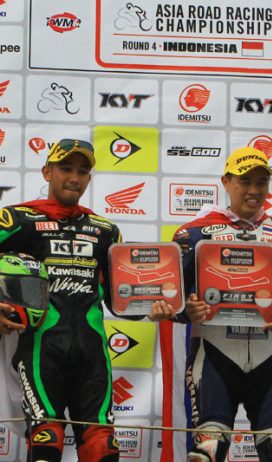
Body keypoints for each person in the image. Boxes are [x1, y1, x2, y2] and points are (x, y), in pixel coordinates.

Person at [0, 139, 174, 462]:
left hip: (93, 353)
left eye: (82, 171)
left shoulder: (105, 231)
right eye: (66, 168)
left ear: (89, 178)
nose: (74, 177)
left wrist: (149, 308)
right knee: (46, 440)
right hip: (39, 349)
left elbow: (119, 301)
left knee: (102, 446)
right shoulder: (18, 220)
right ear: (47, 172)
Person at [170, 146, 272, 462]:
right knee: (208, 450)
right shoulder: (194, 234)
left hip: (271, 357)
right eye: (245, 181)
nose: (254, 190)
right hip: (215, 355)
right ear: (226, 182)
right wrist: (187, 310)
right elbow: (169, 295)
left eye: (261, 182)